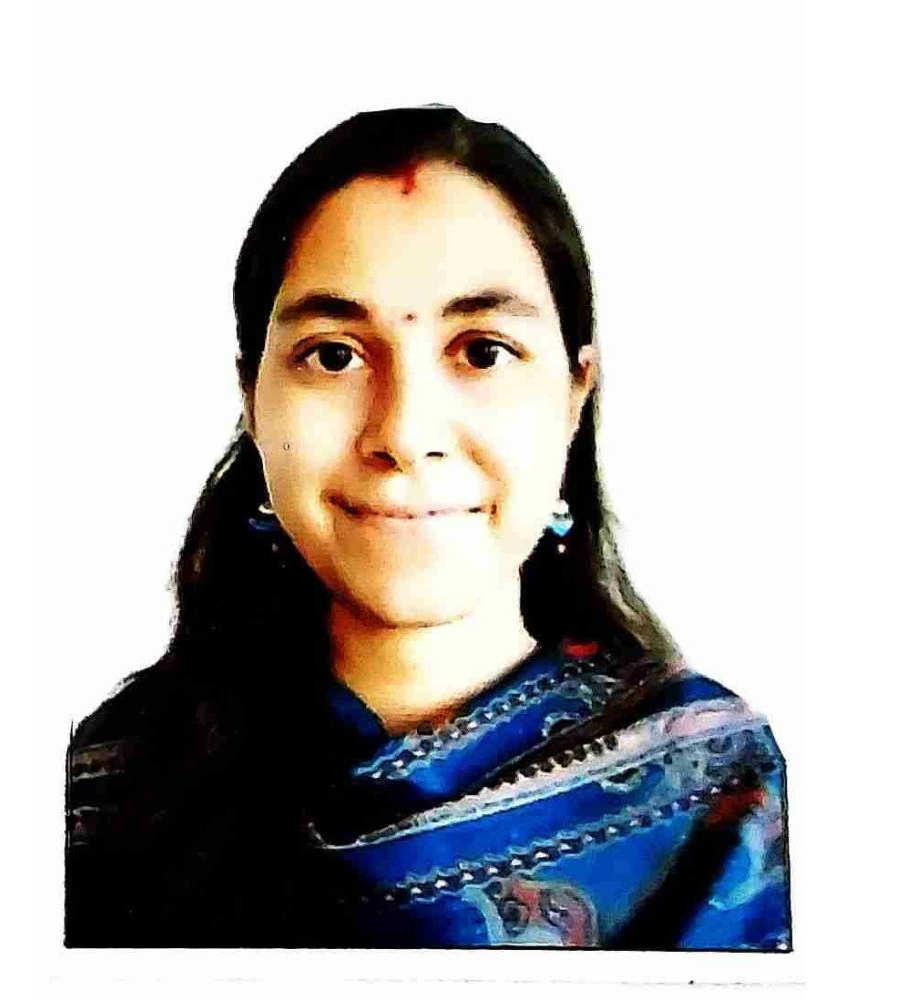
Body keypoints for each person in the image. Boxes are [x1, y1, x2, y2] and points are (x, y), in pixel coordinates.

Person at [65, 105, 791, 949]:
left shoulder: (715, 798)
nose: (406, 435)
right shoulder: (103, 798)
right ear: (252, 398)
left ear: (574, 394)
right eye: (334, 355)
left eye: (483, 351)